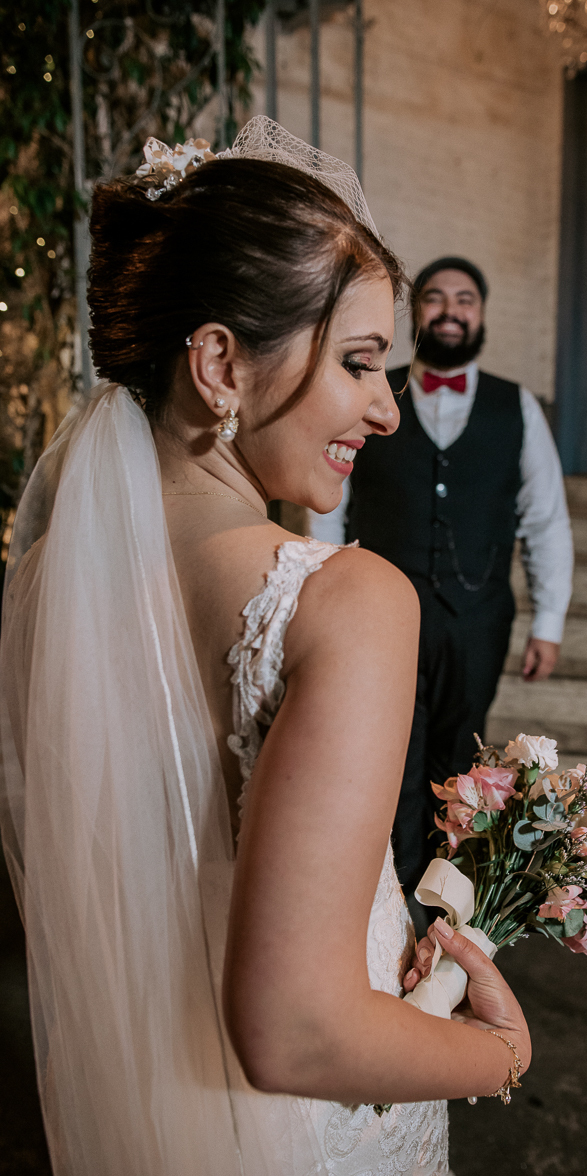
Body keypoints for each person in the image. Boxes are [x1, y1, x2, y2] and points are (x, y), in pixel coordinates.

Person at [0, 122, 530, 1176]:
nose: (386, 411)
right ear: (220, 365)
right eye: (359, 363)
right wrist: (495, 1052)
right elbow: (295, 1030)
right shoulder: (346, 601)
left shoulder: (44, 576)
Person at [310, 257, 573, 898]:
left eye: (465, 300)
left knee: (461, 766)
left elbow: (545, 520)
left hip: (477, 618)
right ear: (415, 313)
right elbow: (329, 503)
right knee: (385, 755)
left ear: (480, 315)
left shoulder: (519, 409)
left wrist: (549, 621)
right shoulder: (374, 392)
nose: (450, 310)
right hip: (380, 615)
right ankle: (388, 900)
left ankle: (445, 908)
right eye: (434, 298)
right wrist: (317, 590)